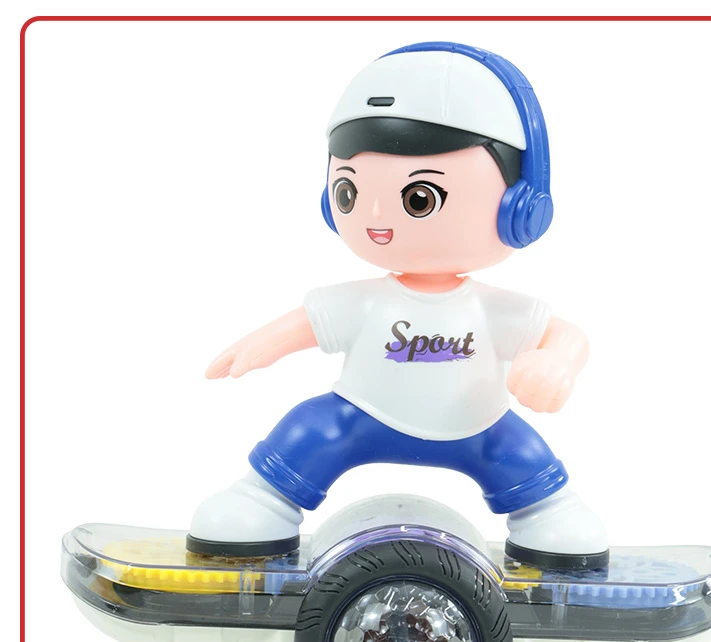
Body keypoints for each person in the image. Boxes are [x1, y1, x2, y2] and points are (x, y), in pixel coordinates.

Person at [187, 42, 608, 569]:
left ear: (520, 208)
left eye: (419, 199)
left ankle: (548, 514)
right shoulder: (366, 301)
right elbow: (308, 323)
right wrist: (260, 344)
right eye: (348, 193)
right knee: (311, 431)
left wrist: (556, 363)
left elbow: (566, 336)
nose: (375, 218)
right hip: (360, 416)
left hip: (478, 428)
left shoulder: (491, 309)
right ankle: (262, 502)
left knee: (519, 456)